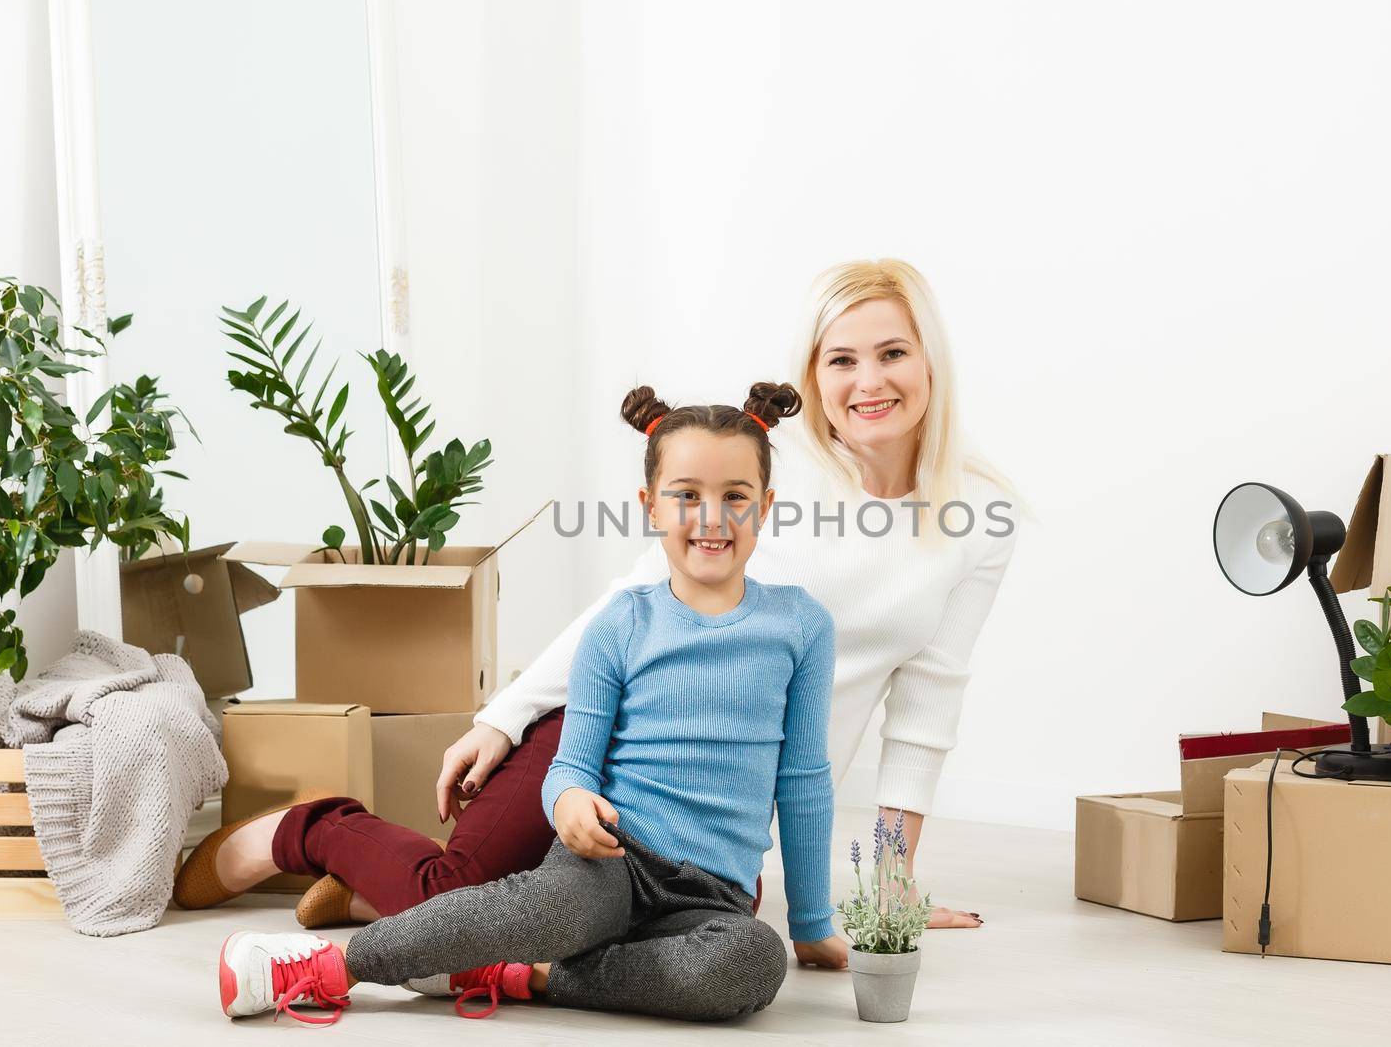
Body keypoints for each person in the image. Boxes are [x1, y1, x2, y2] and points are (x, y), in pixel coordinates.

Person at [178, 257, 1013, 939]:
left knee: (669, 933)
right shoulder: (767, 468)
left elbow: (926, 708)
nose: (870, 381)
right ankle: (303, 832)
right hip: (598, 734)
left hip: (711, 805)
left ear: (930, 360)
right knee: (456, 890)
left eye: (893, 353)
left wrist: (888, 883)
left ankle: (367, 898)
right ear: (813, 375)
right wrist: (503, 716)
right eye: (842, 359)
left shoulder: (979, 517)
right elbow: (632, 598)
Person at [215, 382, 846, 1024]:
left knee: (748, 964)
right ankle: (328, 967)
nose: (712, 517)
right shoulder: (620, 625)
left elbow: (803, 781)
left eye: (734, 497)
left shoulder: (801, 627)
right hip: (613, 858)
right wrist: (568, 800)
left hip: (714, 895)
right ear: (650, 505)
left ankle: (532, 974)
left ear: (765, 507)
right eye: (687, 496)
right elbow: (572, 763)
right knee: (551, 908)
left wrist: (812, 921)